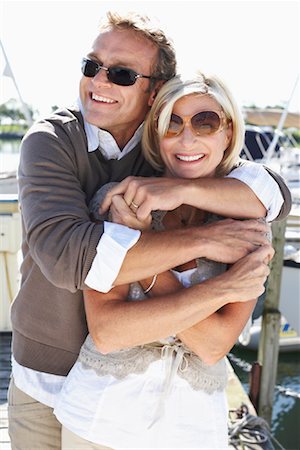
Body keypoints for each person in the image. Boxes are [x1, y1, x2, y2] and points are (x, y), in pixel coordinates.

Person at [8, 11, 290, 450]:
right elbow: (70, 262)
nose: (98, 82)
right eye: (91, 66)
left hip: (172, 412)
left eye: (120, 74)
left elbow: (272, 193)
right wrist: (208, 244)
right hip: (49, 378)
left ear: (154, 90)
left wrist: (173, 189)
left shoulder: (167, 157)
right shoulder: (50, 142)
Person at [54, 71, 274, 449]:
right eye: (171, 123)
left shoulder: (248, 225)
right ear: (156, 135)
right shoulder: (121, 200)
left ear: (228, 132)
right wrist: (224, 287)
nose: (187, 138)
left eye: (206, 122)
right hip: (98, 421)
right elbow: (108, 331)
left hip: (193, 433)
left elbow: (214, 345)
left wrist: (146, 251)